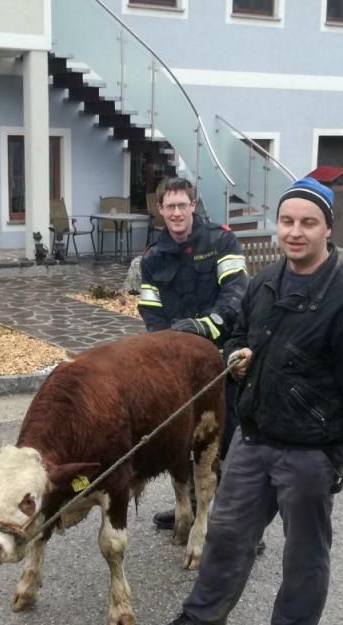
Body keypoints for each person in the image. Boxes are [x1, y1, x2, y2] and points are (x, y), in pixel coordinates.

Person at [164, 177, 343, 625]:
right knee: (225, 538)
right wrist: (235, 357)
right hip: (252, 441)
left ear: (327, 229)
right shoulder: (263, 284)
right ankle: (200, 618)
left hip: (310, 454)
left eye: (308, 223)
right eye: (287, 221)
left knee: (304, 557)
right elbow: (238, 334)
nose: (295, 232)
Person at [137, 177, 247, 531]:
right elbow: (151, 311)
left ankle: (235, 523)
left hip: (223, 356)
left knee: (228, 440)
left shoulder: (222, 241)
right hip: (179, 365)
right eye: (169, 206)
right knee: (184, 438)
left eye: (182, 205)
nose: (176, 212)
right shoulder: (152, 257)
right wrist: (167, 347)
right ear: (160, 209)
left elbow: (235, 296)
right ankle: (191, 506)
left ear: (193, 205)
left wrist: (203, 328)